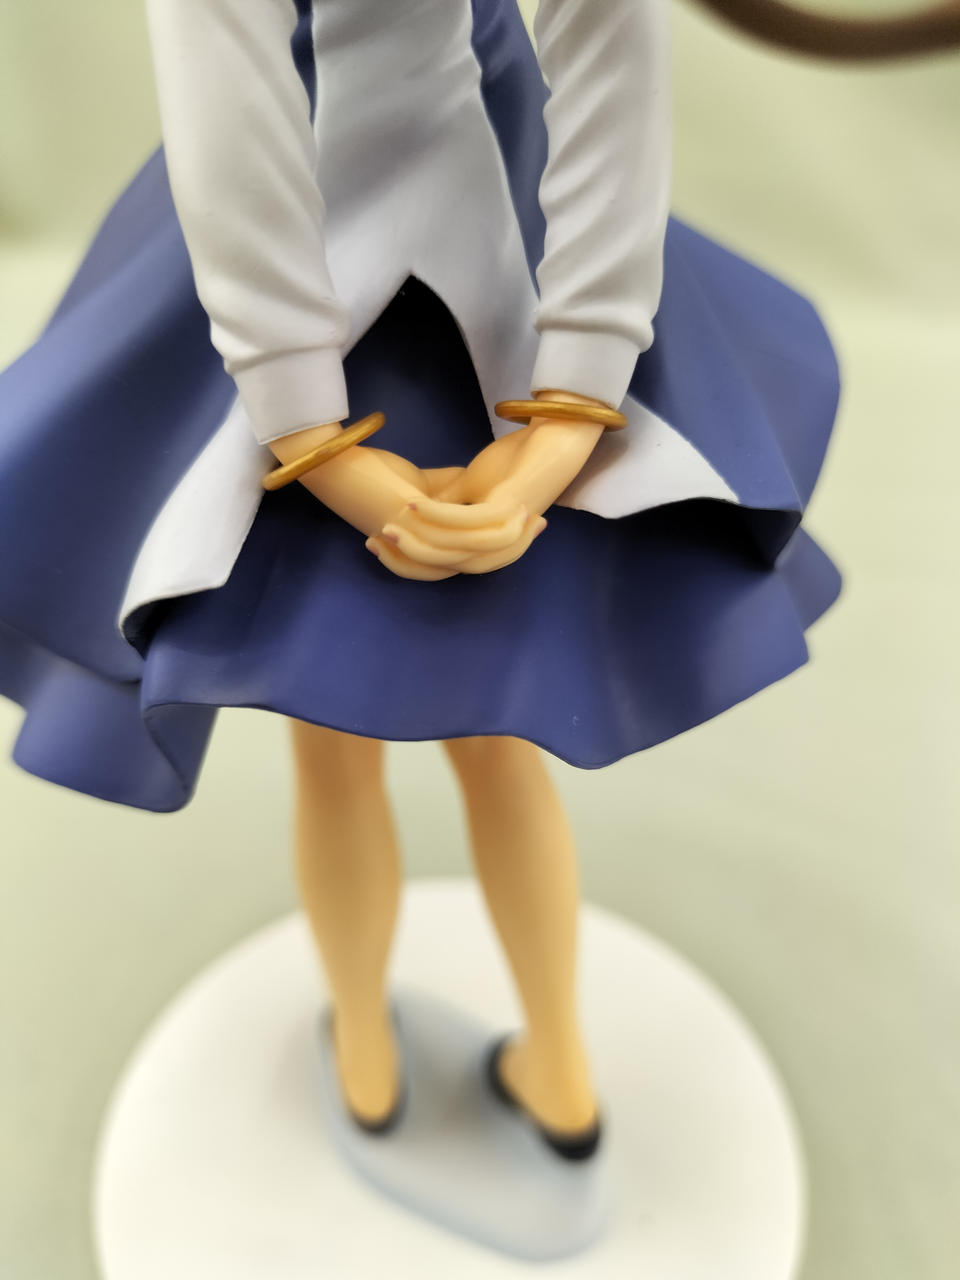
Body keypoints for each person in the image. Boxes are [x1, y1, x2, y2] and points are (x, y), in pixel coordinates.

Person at [0, 0, 850, 1155]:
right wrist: (548, 410)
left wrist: (353, 430)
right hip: (350, 231)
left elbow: (598, 44)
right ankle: (546, 1071)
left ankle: (372, 1055)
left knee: (342, 753)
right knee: (486, 750)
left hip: (365, 234)